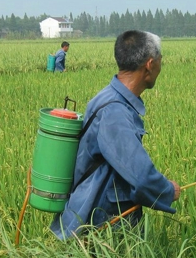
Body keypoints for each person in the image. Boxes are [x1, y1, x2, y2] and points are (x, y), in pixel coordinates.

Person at [50, 30, 181, 240]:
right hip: (102, 223)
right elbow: (140, 176)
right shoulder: (115, 112)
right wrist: (167, 191)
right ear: (149, 64)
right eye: (160, 60)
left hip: (94, 214)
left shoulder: (106, 97)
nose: (160, 65)